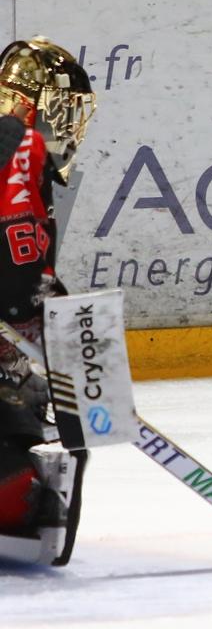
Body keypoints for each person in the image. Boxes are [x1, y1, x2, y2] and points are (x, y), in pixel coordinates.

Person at [0, 38, 96, 565]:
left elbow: (23, 287)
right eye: (60, 107)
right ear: (29, 103)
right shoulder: (17, 146)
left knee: (24, 403)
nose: (68, 124)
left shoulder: (23, 159)